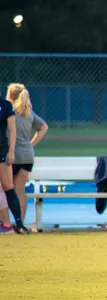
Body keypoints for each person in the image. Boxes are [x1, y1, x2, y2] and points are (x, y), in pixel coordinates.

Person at [6, 83, 48, 222]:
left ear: (10, 95)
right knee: (20, 191)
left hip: (9, 155)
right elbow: (43, 127)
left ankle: (5, 222)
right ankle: (20, 221)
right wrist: (31, 144)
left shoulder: (6, 110)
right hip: (27, 155)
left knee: (6, 190)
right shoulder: (27, 111)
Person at [0, 94, 29, 234]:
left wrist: (11, 151)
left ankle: (19, 223)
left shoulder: (5, 105)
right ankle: (6, 224)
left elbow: (12, 130)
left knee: (8, 187)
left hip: (1, 151)